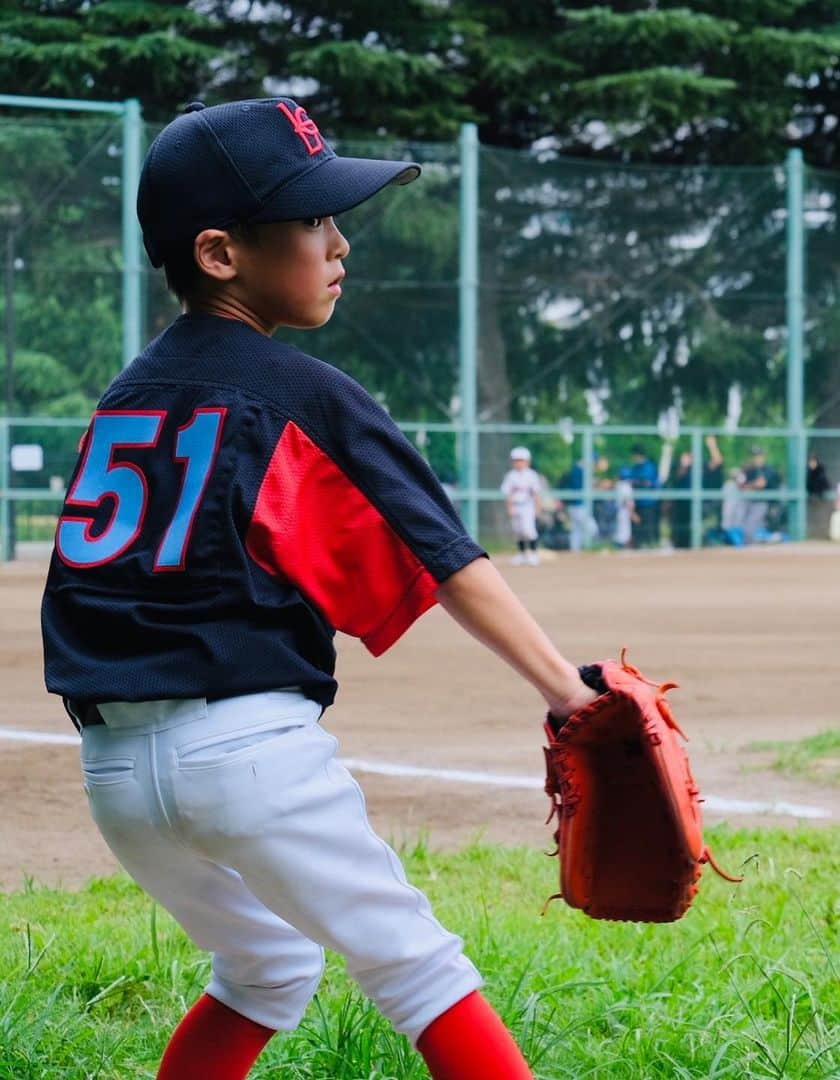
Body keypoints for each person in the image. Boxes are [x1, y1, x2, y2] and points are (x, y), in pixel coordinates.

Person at [40, 99, 599, 1080]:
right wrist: (569, 692)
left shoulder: (122, 399)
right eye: (312, 222)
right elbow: (450, 563)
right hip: (253, 756)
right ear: (221, 254)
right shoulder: (302, 391)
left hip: (115, 776)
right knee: (420, 971)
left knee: (265, 965)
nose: (339, 242)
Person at [501, 446, 543, 565]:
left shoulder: (531, 475)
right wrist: (509, 508)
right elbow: (508, 493)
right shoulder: (511, 475)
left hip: (527, 506)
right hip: (515, 505)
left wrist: (537, 508)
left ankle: (534, 554)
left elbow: (536, 494)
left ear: (527, 461)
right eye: (516, 460)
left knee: (528, 530)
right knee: (518, 531)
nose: (519, 463)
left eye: (521, 460)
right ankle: (522, 554)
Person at [739, 446, 780, 541]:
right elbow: (741, 485)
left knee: (751, 527)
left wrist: (749, 485)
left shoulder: (769, 470)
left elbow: (760, 484)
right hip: (750, 502)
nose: (756, 458)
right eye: (754, 456)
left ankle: (769, 537)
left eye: (759, 456)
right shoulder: (750, 470)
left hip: (767, 504)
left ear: (763, 457)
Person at [557, 456, 597, 552]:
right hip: (578, 505)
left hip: (574, 505)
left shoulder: (576, 470)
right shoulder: (578, 471)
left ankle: (575, 550)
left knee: (576, 529)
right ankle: (585, 546)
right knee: (592, 528)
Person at [628, 443, 659, 546]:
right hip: (637, 503)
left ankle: (650, 547)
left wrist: (635, 482)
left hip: (648, 503)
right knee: (638, 532)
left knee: (648, 531)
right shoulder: (635, 467)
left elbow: (647, 482)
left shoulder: (649, 466)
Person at [613, 466, 636, 549]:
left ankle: (620, 547)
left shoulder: (619, 485)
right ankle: (620, 548)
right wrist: (633, 513)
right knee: (624, 533)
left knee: (621, 531)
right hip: (624, 511)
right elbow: (627, 501)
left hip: (619, 510)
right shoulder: (626, 486)